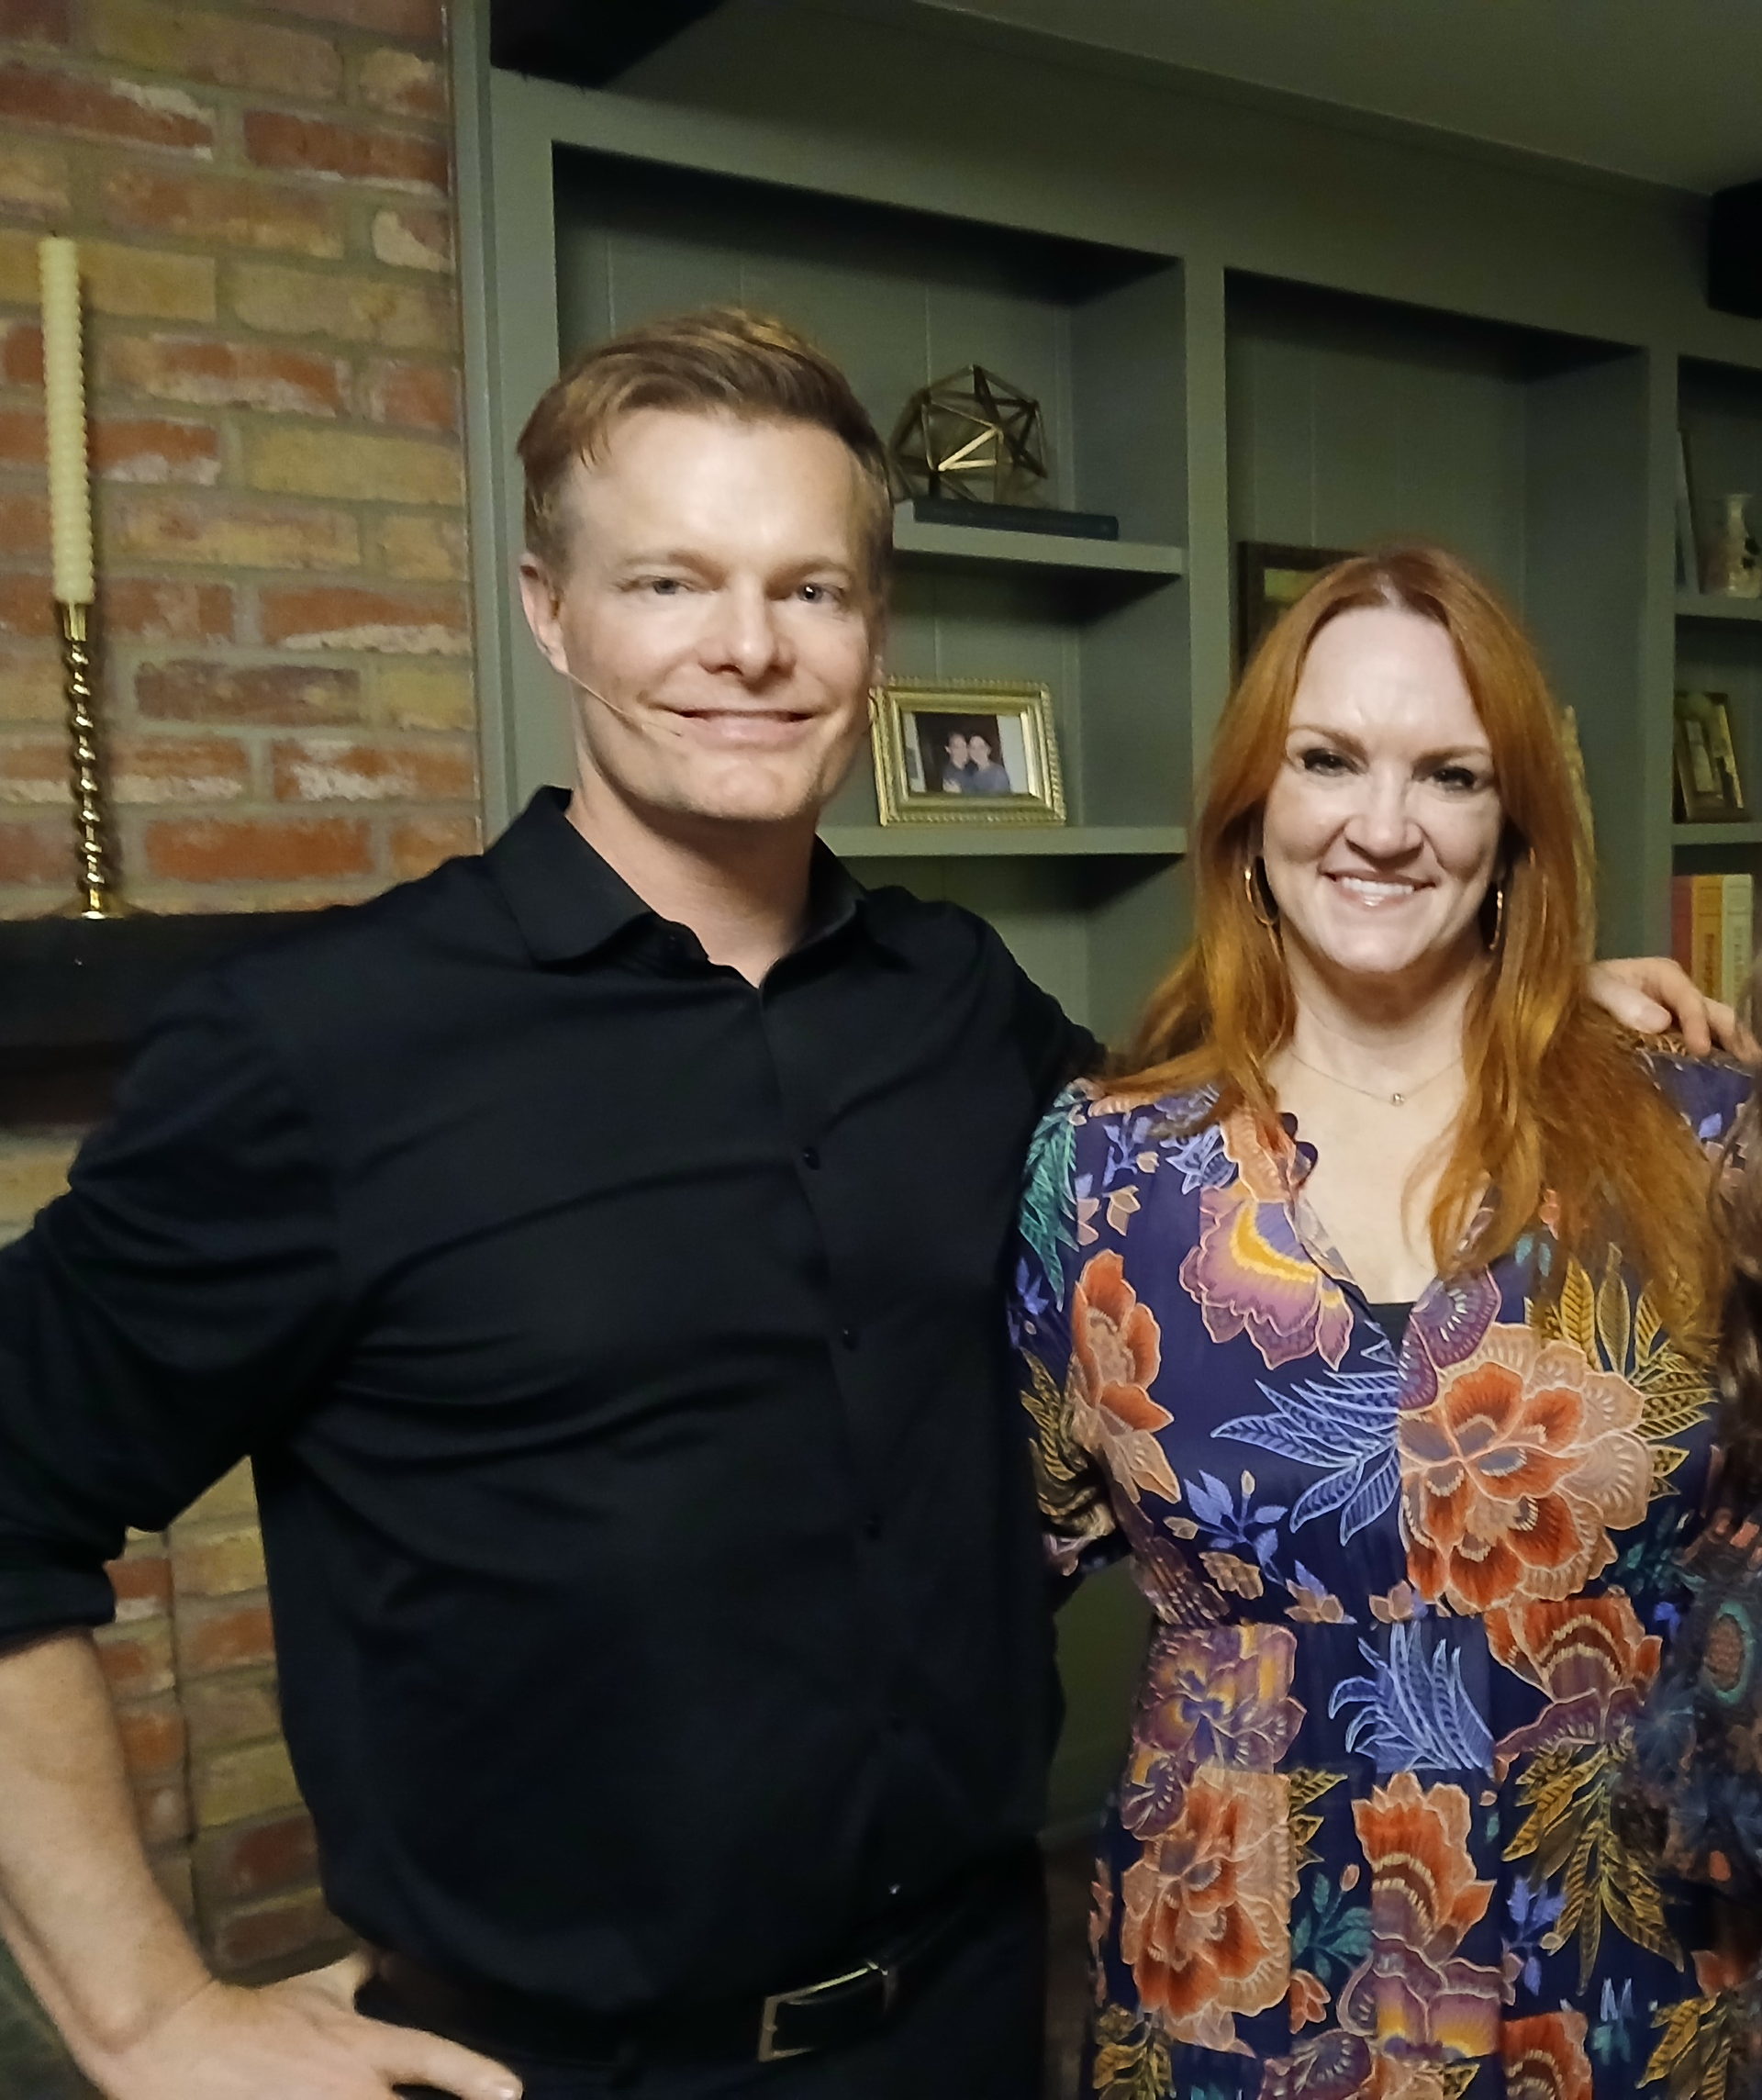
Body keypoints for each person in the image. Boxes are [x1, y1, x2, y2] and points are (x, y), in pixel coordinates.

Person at [0, 317, 1733, 2100]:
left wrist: (1521, 1017)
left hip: (978, 2021)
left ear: (875, 634)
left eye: (809, 589)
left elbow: (1257, 1147)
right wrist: (148, 2015)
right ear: (549, 609)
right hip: (556, 2069)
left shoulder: (971, 1021)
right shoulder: (323, 1048)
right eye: (672, 580)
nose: (746, 648)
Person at [1011, 543, 1750, 2100]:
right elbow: (965, 1572)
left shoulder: (1697, 1140)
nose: (1385, 824)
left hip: (1627, 1984)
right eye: (1329, 758)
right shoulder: (1107, 1175)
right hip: (1237, 1998)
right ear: (1248, 808)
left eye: (1453, 774)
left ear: (1514, 824)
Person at [962, 732, 1012, 798]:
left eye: (981, 747)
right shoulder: (973, 773)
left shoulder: (998, 773)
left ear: (988, 749)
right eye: (973, 747)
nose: (977, 751)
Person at [939, 726, 973, 791]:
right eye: (957, 747)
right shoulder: (951, 777)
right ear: (948, 749)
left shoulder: (971, 768)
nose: (963, 750)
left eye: (964, 745)